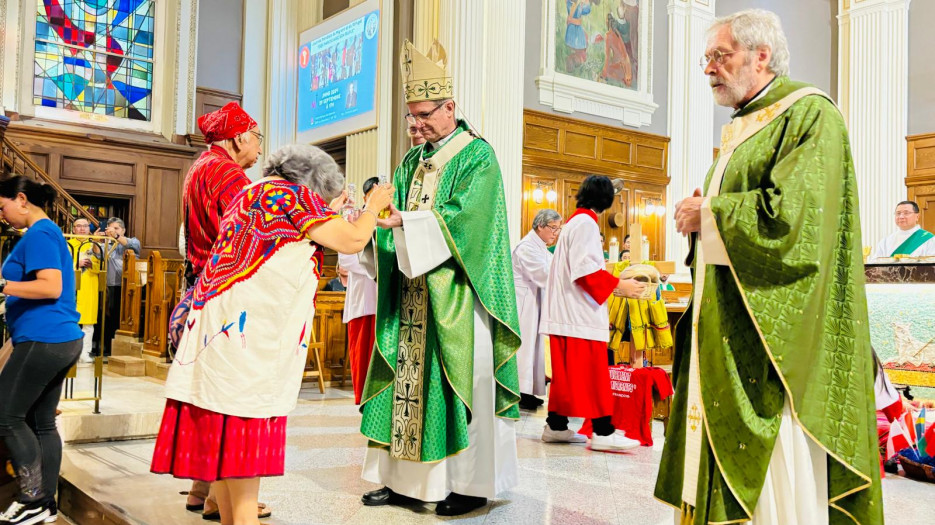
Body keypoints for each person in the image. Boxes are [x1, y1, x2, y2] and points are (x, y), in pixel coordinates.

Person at [658, 10, 883, 525]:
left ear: (762, 56)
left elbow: (797, 224)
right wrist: (705, 213)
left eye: (722, 55)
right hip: (727, 318)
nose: (710, 68)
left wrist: (711, 213)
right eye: (707, 58)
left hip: (772, 337)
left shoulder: (809, 114)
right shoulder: (745, 124)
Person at [151, 144, 394, 525]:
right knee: (245, 436)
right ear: (314, 184)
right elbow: (351, 241)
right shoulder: (292, 196)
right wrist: (372, 206)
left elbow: (289, 237)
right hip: (250, 339)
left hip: (218, 331)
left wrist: (335, 214)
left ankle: (232, 518)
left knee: (227, 442)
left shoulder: (256, 191)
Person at [358, 39, 521, 517]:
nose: (416, 125)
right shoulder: (410, 160)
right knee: (404, 383)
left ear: (450, 107)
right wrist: (372, 226)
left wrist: (405, 224)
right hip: (411, 293)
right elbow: (393, 215)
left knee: (462, 383)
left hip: (458, 297)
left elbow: (469, 221)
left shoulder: (477, 157)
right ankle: (400, 479)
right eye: (410, 117)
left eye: (425, 115)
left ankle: (469, 486)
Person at [174, 101, 264, 519]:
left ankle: (203, 491)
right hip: (225, 294)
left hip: (201, 285)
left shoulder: (200, 165)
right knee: (232, 398)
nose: (261, 146)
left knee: (209, 394)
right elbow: (250, 231)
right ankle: (232, 501)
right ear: (239, 137)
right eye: (257, 136)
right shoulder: (228, 173)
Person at [0, 177, 83, 525]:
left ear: (21, 200)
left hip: (44, 338)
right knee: (41, 422)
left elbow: (50, 287)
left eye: (2, 207)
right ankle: (46, 503)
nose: (2, 216)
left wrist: (2, 285)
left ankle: (32, 498)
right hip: (57, 338)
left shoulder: (39, 234)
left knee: (6, 416)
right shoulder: (44, 233)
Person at [539, 175, 644, 451]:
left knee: (565, 377)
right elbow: (585, 270)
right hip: (579, 314)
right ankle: (603, 431)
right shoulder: (585, 224)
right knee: (594, 375)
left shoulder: (575, 222)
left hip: (567, 314)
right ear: (607, 200)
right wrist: (621, 286)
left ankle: (556, 425)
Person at [512, 209, 562, 411]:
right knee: (524, 348)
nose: (555, 233)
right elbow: (544, 274)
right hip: (524, 304)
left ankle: (528, 390)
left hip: (535, 302)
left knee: (534, 348)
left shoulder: (540, 246)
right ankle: (519, 392)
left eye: (558, 229)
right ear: (539, 225)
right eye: (553, 228)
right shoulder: (526, 247)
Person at [338, 176, 380, 405]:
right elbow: (346, 259)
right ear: (365, 197)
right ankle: (364, 400)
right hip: (364, 298)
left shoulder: (388, 218)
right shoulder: (353, 217)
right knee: (363, 356)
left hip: (384, 299)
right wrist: (378, 267)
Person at [95, 217, 140, 357]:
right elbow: (97, 254)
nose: (113, 231)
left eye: (117, 228)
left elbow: (133, 246)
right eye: (110, 228)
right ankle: (104, 348)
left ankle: (119, 350)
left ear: (123, 230)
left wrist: (117, 236)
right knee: (106, 317)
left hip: (127, 287)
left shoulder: (132, 240)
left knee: (119, 317)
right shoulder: (106, 244)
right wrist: (95, 240)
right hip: (108, 285)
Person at [67, 218, 102, 364]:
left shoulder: (95, 245)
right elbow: (60, 264)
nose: (82, 229)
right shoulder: (66, 243)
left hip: (89, 285)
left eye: (85, 226)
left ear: (89, 229)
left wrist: (91, 262)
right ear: (73, 229)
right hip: (71, 286)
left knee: (88, 323)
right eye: (79, 226)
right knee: (71, 321)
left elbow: (101, 266)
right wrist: (76, 263)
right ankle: (70, 353)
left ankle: (85, 352)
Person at [868, 201, 935, 261]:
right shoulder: (886, 241)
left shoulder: (929, 239)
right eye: (898, 213)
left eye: (906, 213)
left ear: (917, 216)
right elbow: (875, 264)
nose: (901, 217)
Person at [564, 0, 592, 72]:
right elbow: (587, 10)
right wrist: (586, 2)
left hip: (573, 31)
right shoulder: (574, 5)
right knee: (580, 45)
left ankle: (575, 61)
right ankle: (575, 61)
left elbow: (586, 10)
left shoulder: (570, 3)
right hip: (576, 32)